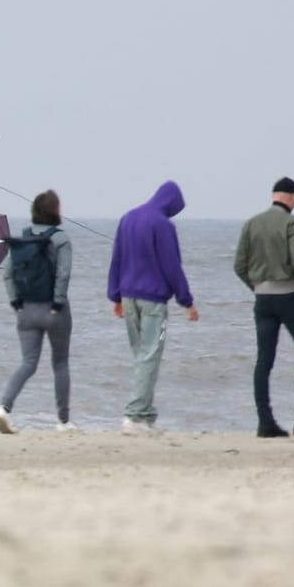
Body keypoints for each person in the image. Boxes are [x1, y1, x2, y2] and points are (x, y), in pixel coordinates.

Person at [234, 176, 294, 438]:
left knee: (264, 361)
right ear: (289, 197)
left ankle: (265, 422)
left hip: (262, 299)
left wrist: (256, 286)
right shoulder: (292, 224)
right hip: (290, 296)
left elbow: (239, 266)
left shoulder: (251, 224)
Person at [106, 180, 198, 433]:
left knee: (141, 356)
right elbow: (172, 266)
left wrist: (114, 296)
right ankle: (134, 415)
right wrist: (186, 301)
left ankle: (145, 415)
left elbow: (117, 258)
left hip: (127, 296)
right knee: (149, 356)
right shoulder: (162, 224)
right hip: (152, 300)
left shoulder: (128, 218)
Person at [0, 190, 76, 433]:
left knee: (28, 363)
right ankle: (63, 421)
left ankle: (3, 408)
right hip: (54, 311)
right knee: (60, 364)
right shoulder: (61, 240)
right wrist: (57, 303)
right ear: (55, 211)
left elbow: (7, 273)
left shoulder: (24, 239)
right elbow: (64, 273)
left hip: (26, 310)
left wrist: (16, 303)